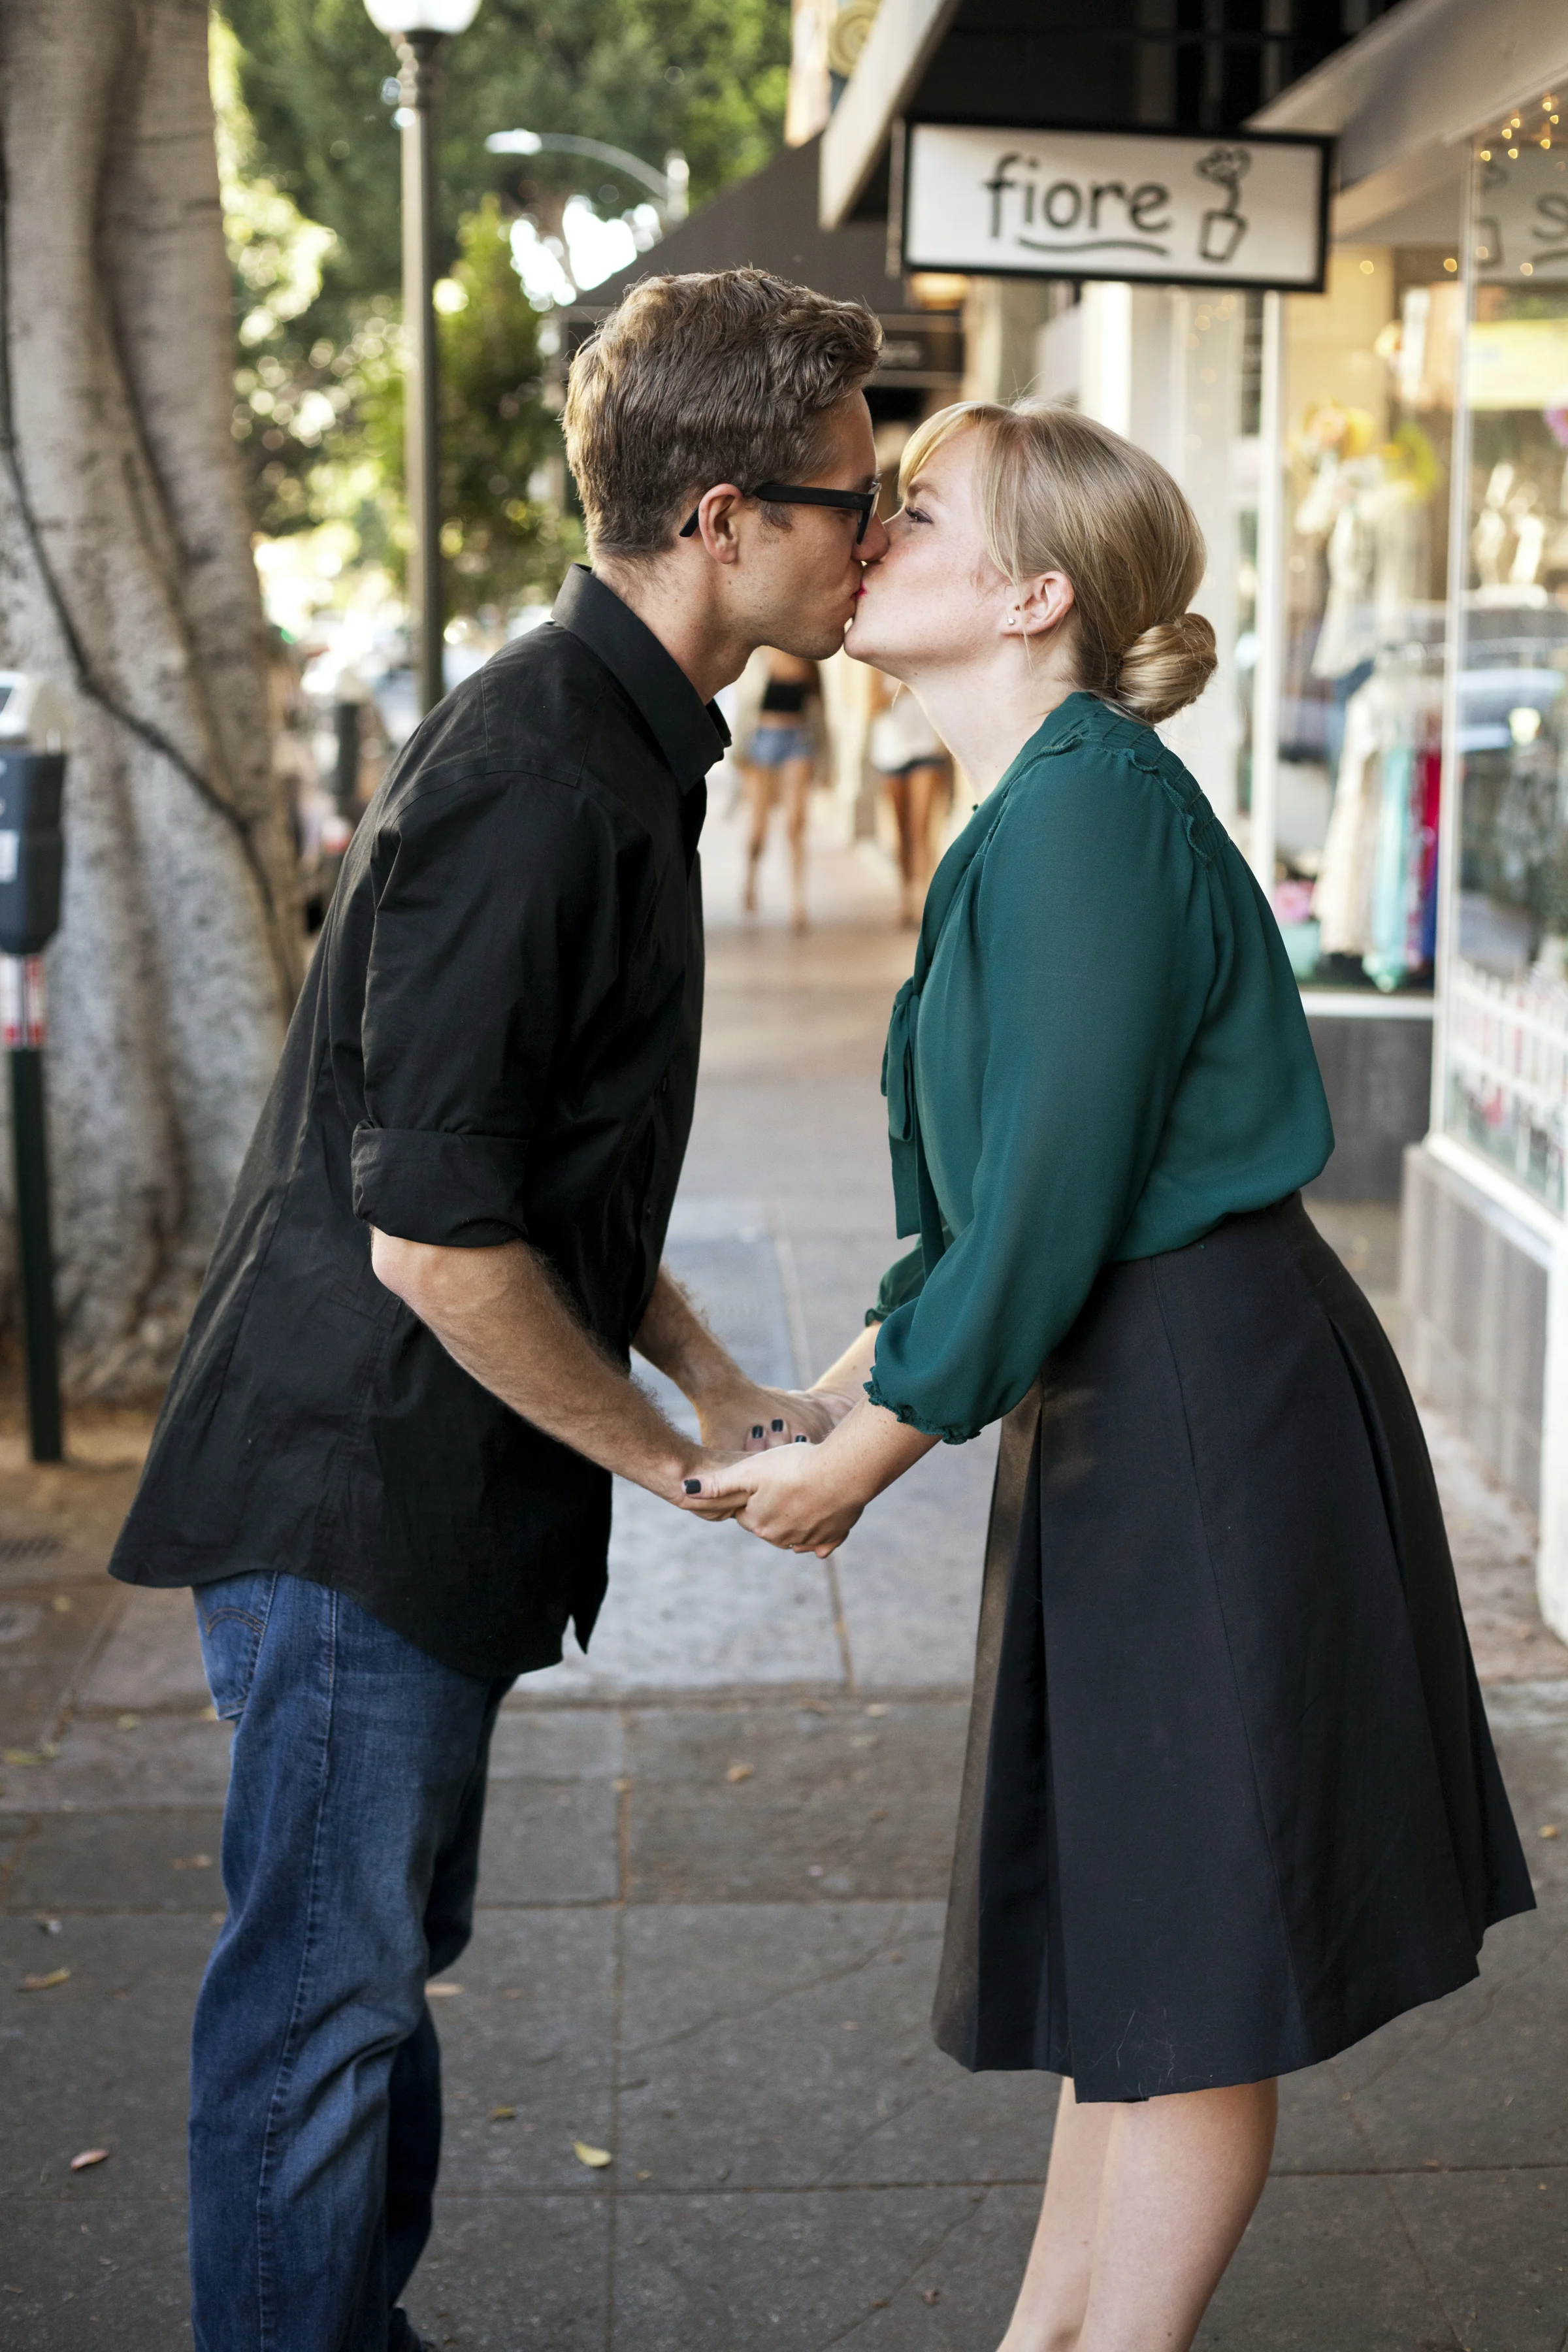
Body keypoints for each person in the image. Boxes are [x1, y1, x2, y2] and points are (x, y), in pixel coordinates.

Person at [682, 399, 1533, 2352]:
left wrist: (860, 1459)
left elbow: (1045, 1211)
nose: (868, 531)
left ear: (1029, 593)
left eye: (918, 511)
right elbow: (992, 1219)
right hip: (1152, 1404)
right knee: (1136, 1978)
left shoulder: (1080, 818)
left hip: (1198, 1415)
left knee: (1181, 1988)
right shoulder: (1046, 808)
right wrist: (816, 1399)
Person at [105, 266, 883, 2352]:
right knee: (319, 2018)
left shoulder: (613, 743)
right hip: (354, 1504)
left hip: (422, 1498)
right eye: (847, 500)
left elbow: (532, 1164)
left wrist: (708, 1371)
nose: (872, 537)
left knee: (368, 1984)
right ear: (721, 518)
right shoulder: (542, 775)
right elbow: (438, 1243)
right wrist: (660, 1453)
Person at [736, 646, 825, 929]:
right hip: (761, 743)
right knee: (758, 829)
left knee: (796, 823)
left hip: (798, 742)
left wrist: (826, 763)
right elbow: (744, 706)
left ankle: (798, 903)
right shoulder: (758, 657)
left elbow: (820, 712)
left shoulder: (808, 658)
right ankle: (750, 879)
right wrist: (738, 754)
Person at [866, 667, 952, 926]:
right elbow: (870, 707)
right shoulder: (877, 663)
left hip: (927, 748)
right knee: (902, 831)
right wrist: (900, 689)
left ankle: (925, 897)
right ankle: (904, 896)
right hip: (892, 751)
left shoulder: (922, 655)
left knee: (921, 826)